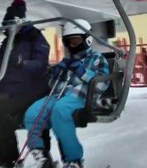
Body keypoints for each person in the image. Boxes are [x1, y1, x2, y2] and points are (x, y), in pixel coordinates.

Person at [0, 0, 51, 167]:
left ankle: (9, 160)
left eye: (11, 24)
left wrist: (23, 63)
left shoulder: (33, 36)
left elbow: (41, 63)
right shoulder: (8, 41)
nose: (8, 28)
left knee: (1, 113)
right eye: (5, 24)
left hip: (31, 90)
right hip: (8, 92)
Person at [24, 19, 109, 168]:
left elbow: (102, 84)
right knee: (33, 113)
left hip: (81, 96)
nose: (71, 45)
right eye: (68, 42)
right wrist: (56, 72)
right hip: (58, 96)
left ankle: (73, 160)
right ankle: (42, 157)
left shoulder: (97, 58)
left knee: (60, 110)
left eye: (75, 41)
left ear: (86, 39)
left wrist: (83, 72)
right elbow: (53, 85)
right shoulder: (67, 60)